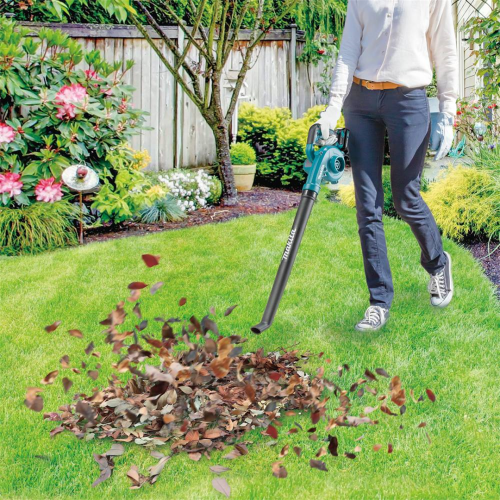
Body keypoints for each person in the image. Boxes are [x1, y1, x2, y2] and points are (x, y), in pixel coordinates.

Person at [316, 0, 458, 331]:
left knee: (406, 197)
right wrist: (333, 106)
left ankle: (437, 263)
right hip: (360, 101)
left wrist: (448, 112)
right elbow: (348, 52)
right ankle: (379, 302)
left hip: (407, 100)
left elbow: (445, 51)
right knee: (367, 205)